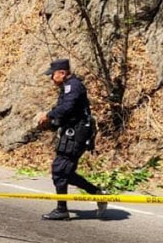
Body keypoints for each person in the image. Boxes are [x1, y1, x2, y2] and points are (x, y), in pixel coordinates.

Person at [35, 58, 107, 220]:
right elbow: (66, 111)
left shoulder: (72, 86)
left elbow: (67, 107)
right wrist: (51, 122)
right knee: (65, 171)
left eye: (52, 75)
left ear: (62, 73)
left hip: (77, 134)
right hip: (72, 132)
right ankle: (98, 193)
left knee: (60, 169)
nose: (51, 78)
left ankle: (62, 210)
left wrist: (47, 115)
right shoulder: (68, 87)